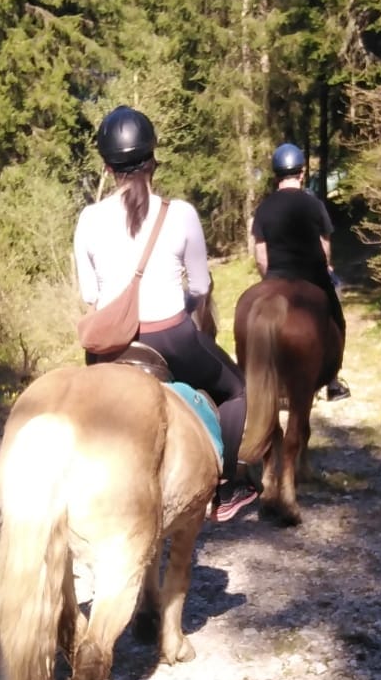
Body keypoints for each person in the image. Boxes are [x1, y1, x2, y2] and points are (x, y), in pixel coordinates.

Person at [74, 106, 259, 524]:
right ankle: (228, 487)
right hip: (170, 338)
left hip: (111, 347)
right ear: (153, 158)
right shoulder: (181, 214)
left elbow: (90, 295)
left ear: (107, 166)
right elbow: (199, 286)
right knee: (237, 391)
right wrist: (188, 306)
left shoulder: (88, 220)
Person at [250, 142, 350, 400]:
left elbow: (261, 256)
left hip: (276, 276)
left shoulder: (264, 209)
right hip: (313, 277)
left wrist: (268, 278)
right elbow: (325, 246)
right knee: (336, 319)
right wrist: (325, 266)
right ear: (301, 174)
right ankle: (332, 382)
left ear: (276, 177)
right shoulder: (314, 205)